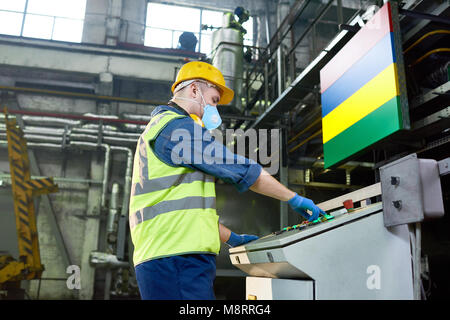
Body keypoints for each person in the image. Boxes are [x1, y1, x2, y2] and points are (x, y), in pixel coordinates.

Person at [129, 61, 326, 300]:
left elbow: (182, 211)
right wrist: (293, 198)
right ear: (194, 90)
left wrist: (232, 238)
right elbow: (243, 171)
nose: (214, 109)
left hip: (168, 256)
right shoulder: (177, 129)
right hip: (176, 260)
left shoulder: (160, 128)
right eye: (213, 100)